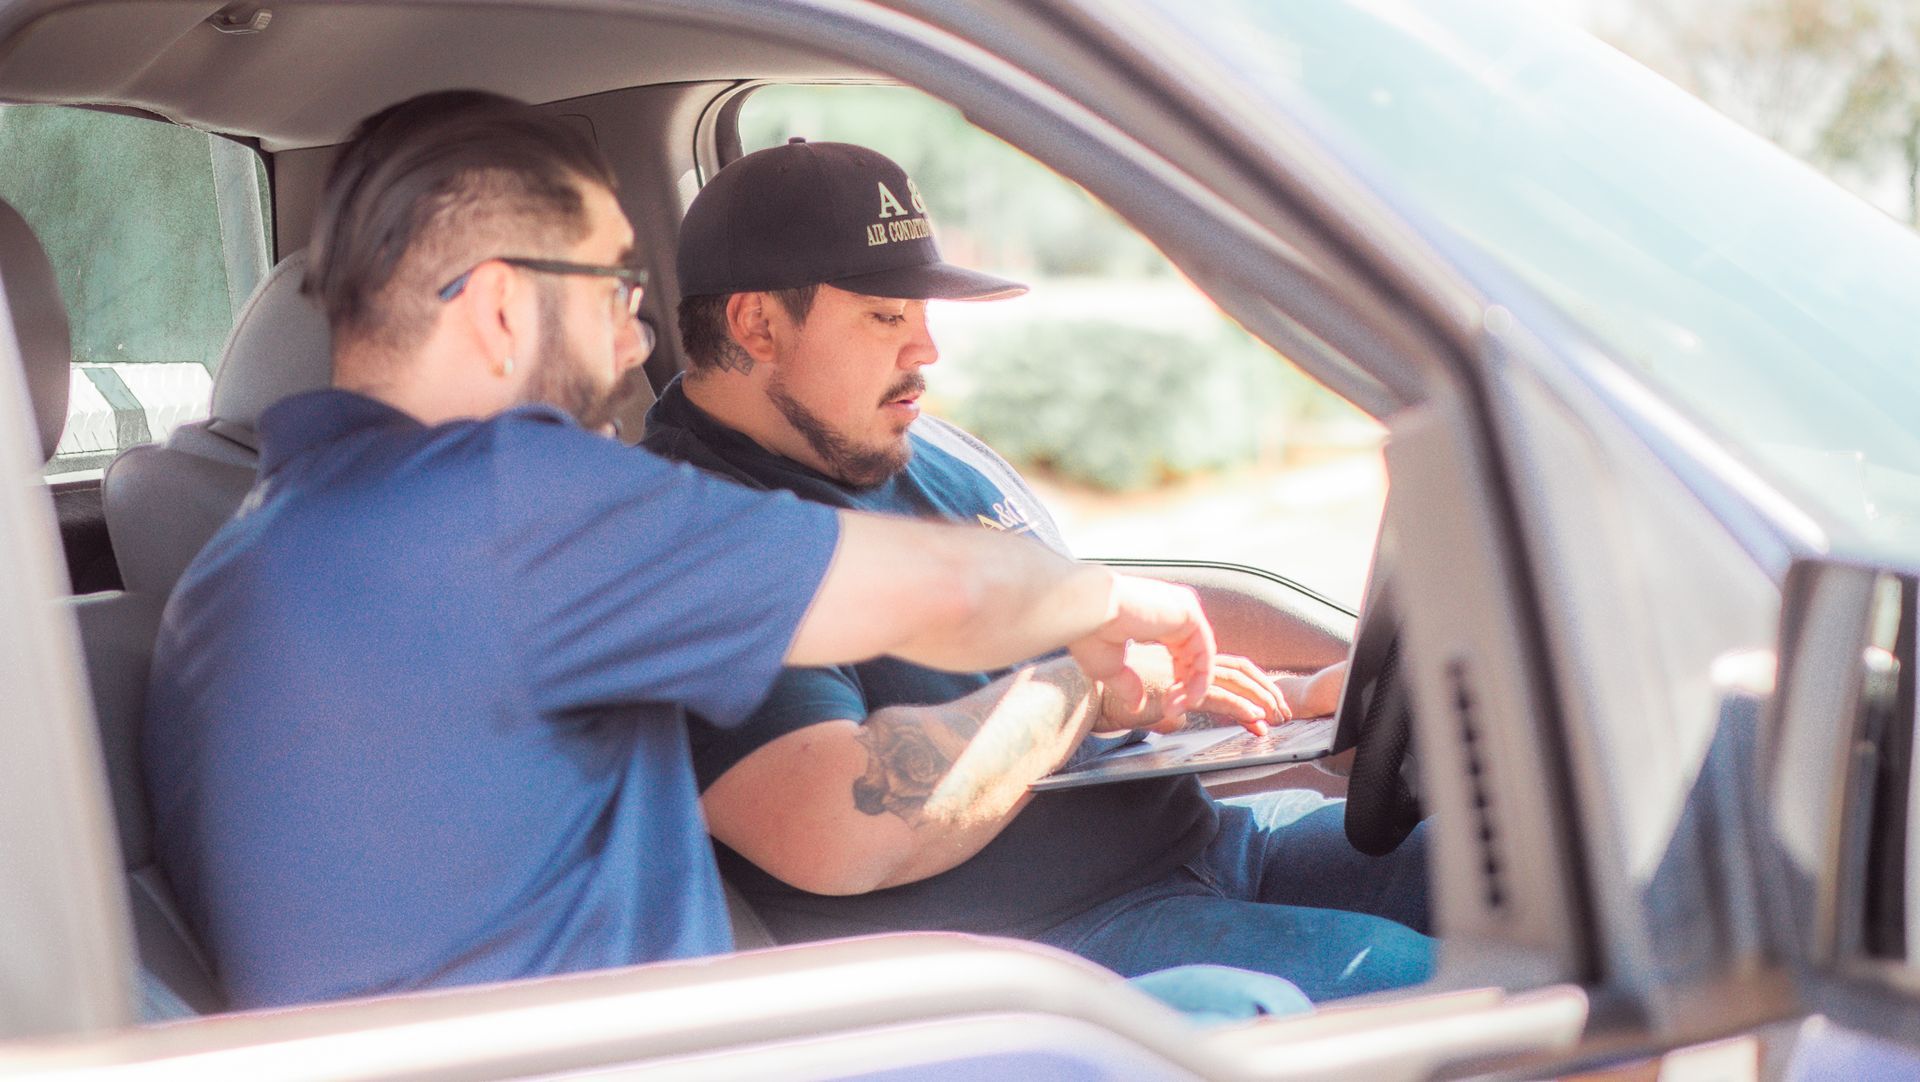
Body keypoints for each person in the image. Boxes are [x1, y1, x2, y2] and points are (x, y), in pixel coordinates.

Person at [141, 93, 1230, 1012]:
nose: (637, 338)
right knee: (1249, 1016)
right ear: (503, 306)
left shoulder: (225, 575)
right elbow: (942, 587)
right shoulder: (508, 503)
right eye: (614, 289)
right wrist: (1107, 606)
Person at [645, 139, 1434, 1003]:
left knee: (1537, 879)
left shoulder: (903, 441)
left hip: (1211, 849)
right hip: (1047, 952)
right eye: (885, 317)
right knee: (1458, 993)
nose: (927, 350)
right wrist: (1085, 691)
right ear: (757, 325)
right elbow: (837, 830)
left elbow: (1104, 607)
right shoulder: (692, 540)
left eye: (925, 312)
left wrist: (1347, 678)